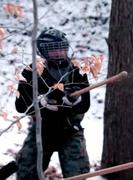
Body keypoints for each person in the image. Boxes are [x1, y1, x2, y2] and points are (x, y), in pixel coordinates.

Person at [15, 27, 91, 179]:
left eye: (61, 48)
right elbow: (21, 106)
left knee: (78, 175)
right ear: (42, 51)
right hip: (41, 131)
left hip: (70, 131)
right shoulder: (31, 72)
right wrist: (42, 103)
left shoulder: (77, 70)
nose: (58, 53)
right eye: (52, 49)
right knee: (26, 173)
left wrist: (72, 101)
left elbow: (85, 105)